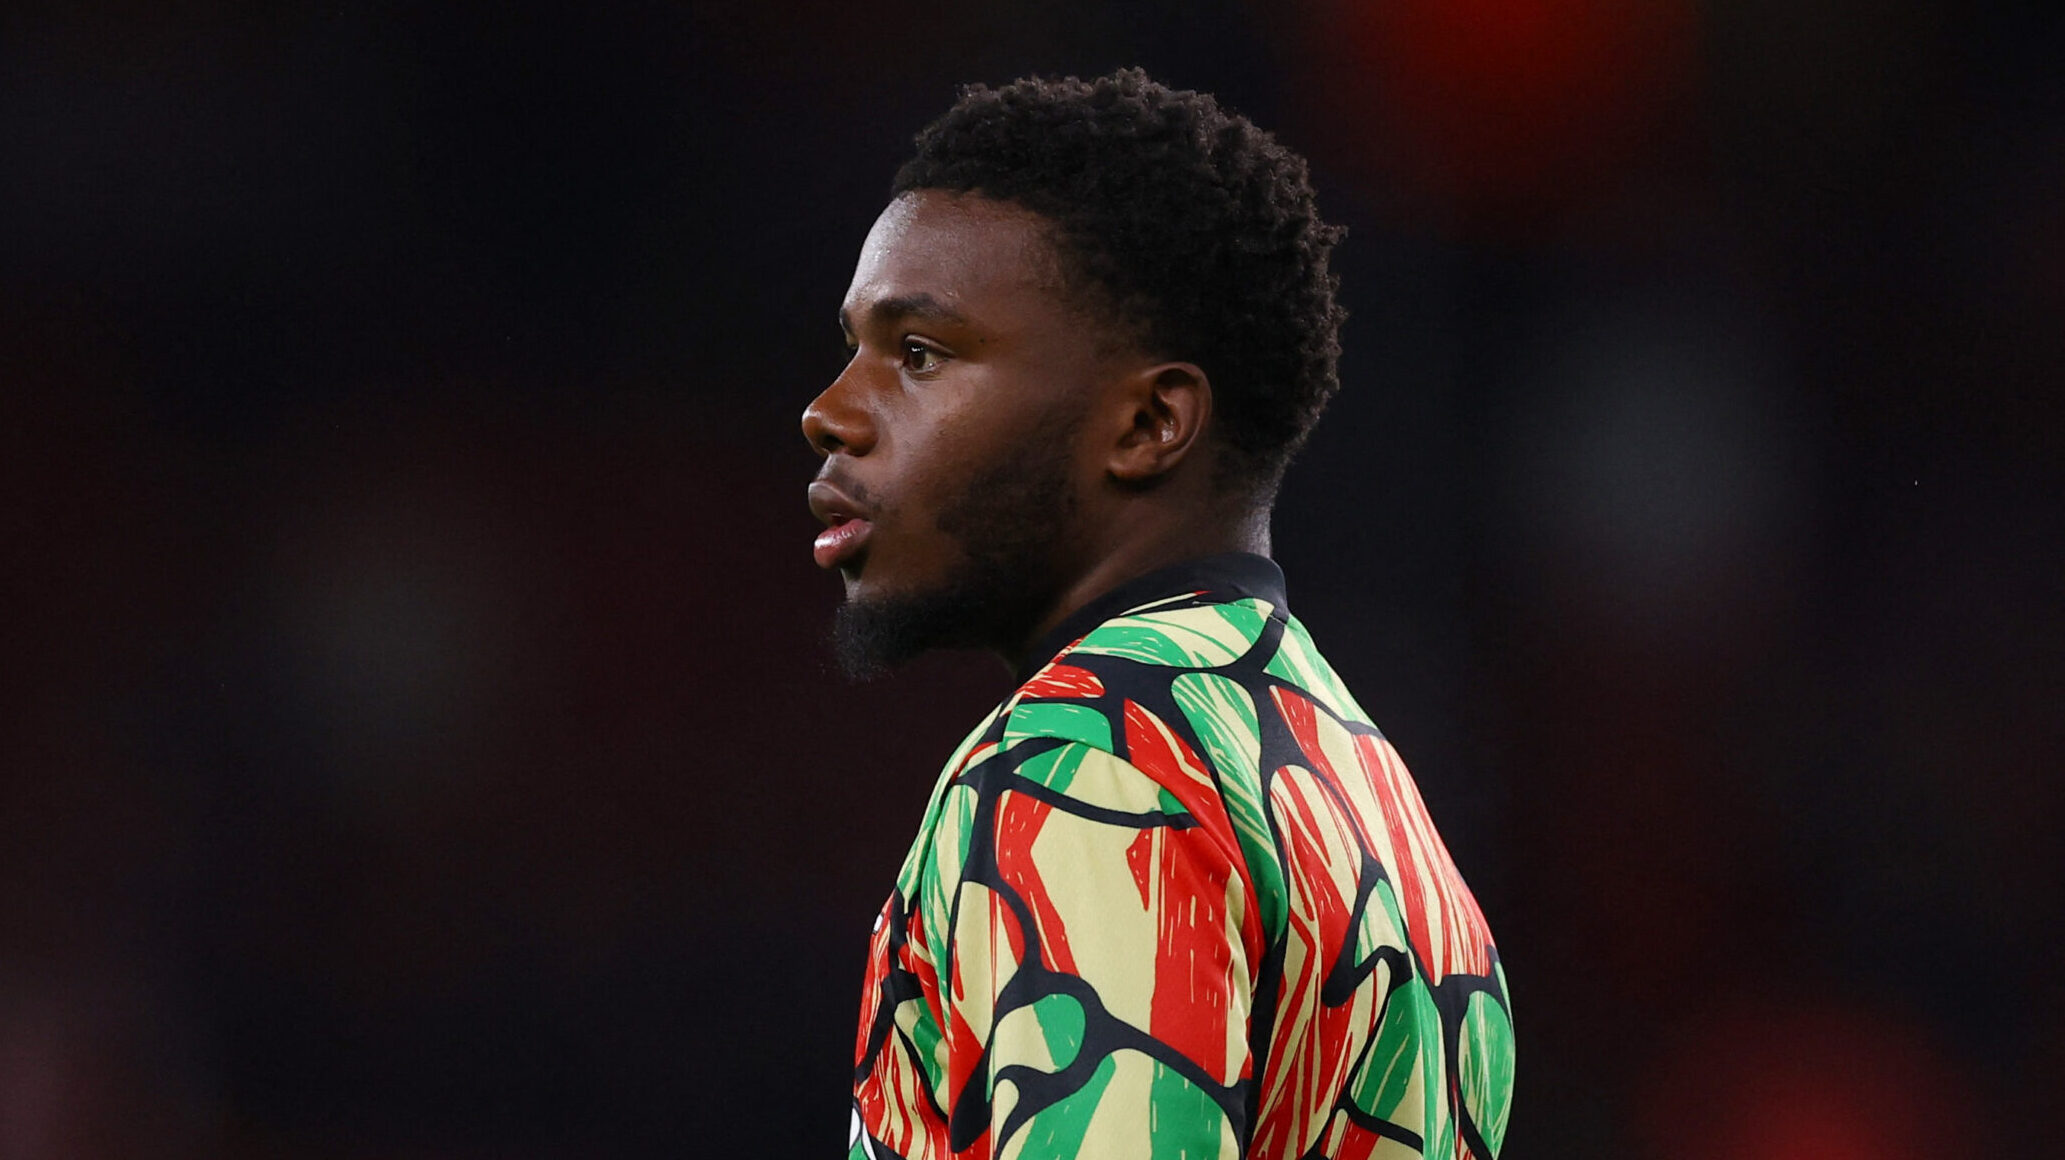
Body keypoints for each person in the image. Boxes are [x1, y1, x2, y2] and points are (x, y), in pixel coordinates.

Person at [803, 68, 1513, 1160]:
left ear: (1146, 424)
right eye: (853, 347)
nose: (830, 412)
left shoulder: (1086, 761)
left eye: (919, 354)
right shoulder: (1375, 800)